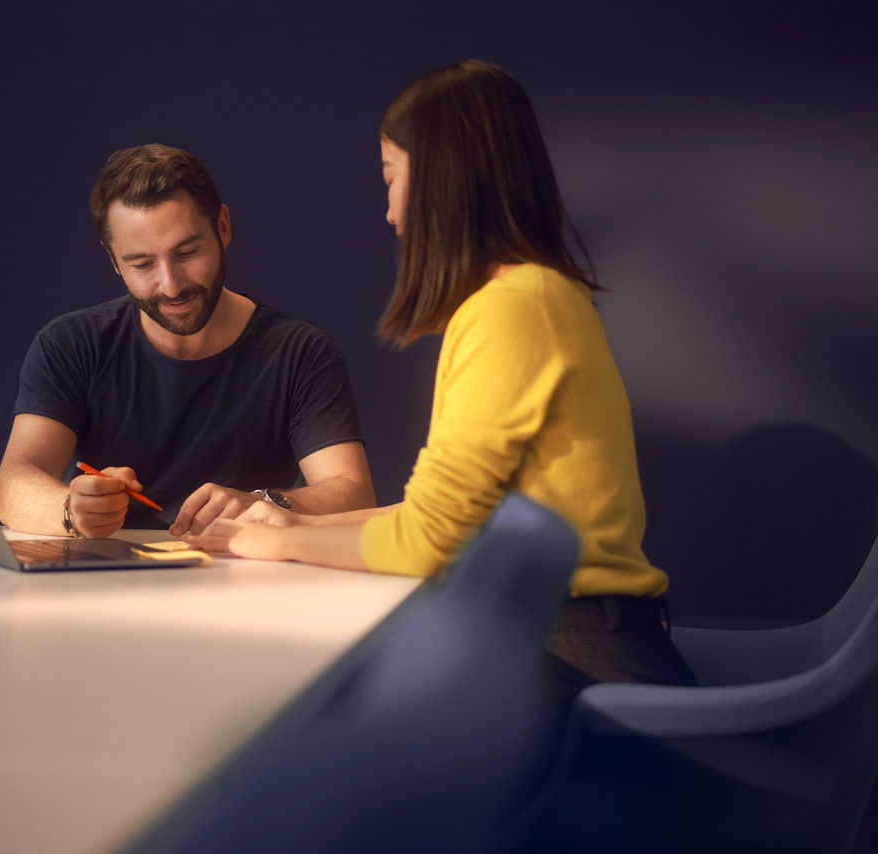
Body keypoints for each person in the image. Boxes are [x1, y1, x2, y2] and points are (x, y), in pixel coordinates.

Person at [187, 61, 694, 694]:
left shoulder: (512, 309)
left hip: (577, 657)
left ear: (440, 182)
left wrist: (272, 547)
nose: (390, 212)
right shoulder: (530, 297)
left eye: (392, 179)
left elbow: (432, 542)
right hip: (565, 636)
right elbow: (448, 520)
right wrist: (295, 524)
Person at [0, 144, 374, 540]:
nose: (171, 285)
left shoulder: (300, 352)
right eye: (142, 264)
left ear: (223, 227)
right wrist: (72, 509)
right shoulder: (70, 343)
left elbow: (354, 493)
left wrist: (263, 503)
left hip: (246, 580)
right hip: (104, 580)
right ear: (113, 260)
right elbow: (14, 481)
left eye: (187, 252)